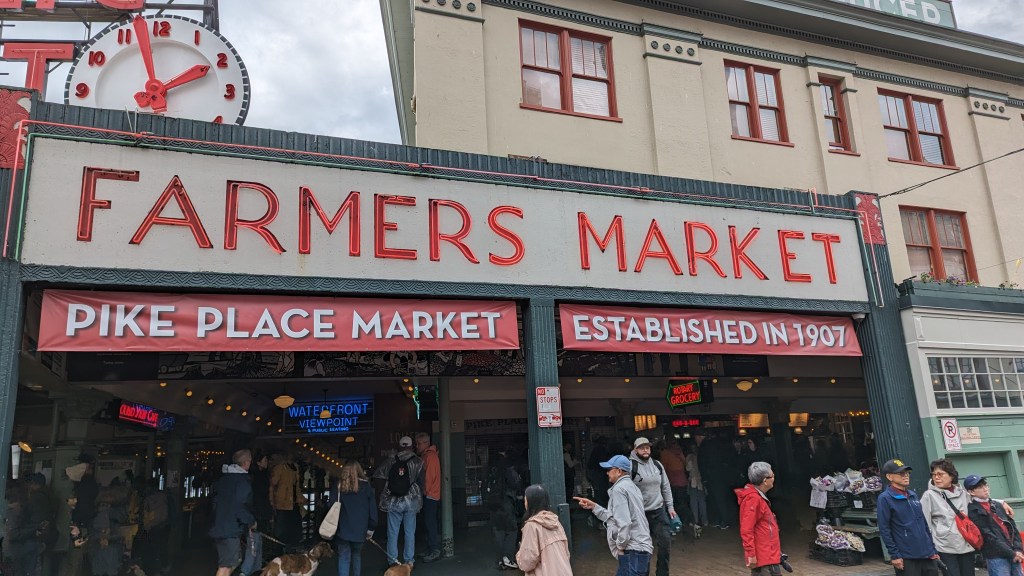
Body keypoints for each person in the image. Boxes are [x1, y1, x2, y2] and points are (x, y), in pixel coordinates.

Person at [574, 454, 653, 576]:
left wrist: (620, 546)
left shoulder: (619, 490)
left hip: (632, 551)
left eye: (609, 469)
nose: (607, 473)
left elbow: (624, 522)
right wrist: (594, 507)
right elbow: (617, 518)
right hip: (641, 549)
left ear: (619, 471)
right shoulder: (632, 487)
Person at [876, 458, 940, 576]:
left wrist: (932, 549)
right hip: (907, 557)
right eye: (901, 474)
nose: (906, 476)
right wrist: (894, 555)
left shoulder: (912, 495)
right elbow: (884, 529)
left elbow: (924, 524)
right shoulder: (885, 498)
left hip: (927, 554)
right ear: (890, 477)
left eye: (907, 473)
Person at [373, 436, 425, 568]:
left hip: (394, 501)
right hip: (411, 502)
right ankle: (409, 561)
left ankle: (393, 561)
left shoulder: (391, 460)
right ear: (411, 446)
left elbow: (379, 475)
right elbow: (422, 481)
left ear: (400, 446)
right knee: (409, 532)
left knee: (392, 532)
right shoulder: (418, 461)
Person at [918, 459, 976, 576]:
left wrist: (1001, 502)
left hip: (966, 544)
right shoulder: (929, 495)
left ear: (951, 476)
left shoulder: (962, 493)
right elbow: (924, 524)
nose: (936, 477)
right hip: (945, 547)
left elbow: (979, 504)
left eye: (940, 474)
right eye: (934, 475)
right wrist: (931, 550)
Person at [628, 437, 676, 576]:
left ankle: (663, 573)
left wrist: (670, 507)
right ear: (635, 449)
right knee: (644, 549)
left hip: (658, 511)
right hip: (640, 514)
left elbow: (665, 486)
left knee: (665, 544)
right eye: (642, 448)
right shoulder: (630, 466)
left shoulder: (657, 465)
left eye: (647, 447)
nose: (645, 450)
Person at [965, 474, 1024, 576]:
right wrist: (1012, 553)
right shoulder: (973, 510)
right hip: (996, 556)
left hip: (1014, 552)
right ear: (971, 492)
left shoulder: (998, 505)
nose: (985, 489)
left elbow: (1012, 527)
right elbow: (988, 536)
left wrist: (1018, 549)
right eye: (980, 487)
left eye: (985, 485)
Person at [210, 449, 256, 576]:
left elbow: (216, 502)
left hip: (219, 526)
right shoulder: (242, 482)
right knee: (226, 566)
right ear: (246, 462)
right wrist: (251, 520)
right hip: (230, 528)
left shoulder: (224, 479)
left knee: (231, 561)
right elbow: (239, 507)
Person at [328, 461, 378, 576]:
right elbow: (373, 511)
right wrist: (371, 528)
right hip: (360, 531)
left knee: (344, 557)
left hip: (342, 530)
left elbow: (331, 506)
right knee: (356, 556)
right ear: (359, 471)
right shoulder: (366, 487)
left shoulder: (339, 486)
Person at [515, 484, 572, 576]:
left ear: (531, 502)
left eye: (526, 500)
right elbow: (567, 553)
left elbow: (527, 562)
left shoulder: (531, 526)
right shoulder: (556, 522)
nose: (524, 503)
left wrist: (519, 555)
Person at [736, 462, 782, 575]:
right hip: (765, 559)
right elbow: (747, 529)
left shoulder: (758, 497)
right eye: (772, 476)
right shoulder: (753, 499)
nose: (774, 477)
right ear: (765, 481)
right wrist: (751, 554)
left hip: (769, 556)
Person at [486, 448, 522, 571]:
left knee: (498, 531)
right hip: (505, 502)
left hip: (492, 503)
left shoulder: (489, 467)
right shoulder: (507, 466)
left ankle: (500, 559)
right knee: (511, 530)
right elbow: (516, 482)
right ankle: (508, 558)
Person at [415, 432, 442, 563]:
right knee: (428, 523)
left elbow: (429, 477)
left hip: (430, 495)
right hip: (430, 494)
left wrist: (424, 492)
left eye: (419, 443)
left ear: (426, 443)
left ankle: (434, 550)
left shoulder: (430, 456)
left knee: (430, 523)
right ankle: (430, 548)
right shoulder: (428, 455)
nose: (417, 446)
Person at [269, 452, 303, 552]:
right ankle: (280, 550)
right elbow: (272, 484)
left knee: (293, 528)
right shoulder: (280, 468)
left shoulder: (295, 468)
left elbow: (296, 486)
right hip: (283, 504)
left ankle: (291, 549)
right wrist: (272, 502)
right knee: (282, 530)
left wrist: (300, 499)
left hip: (293, 503)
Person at [660, 437, 691, 530]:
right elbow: (685, 463)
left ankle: (676, 522)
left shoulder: (665, 453)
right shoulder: (680, 452)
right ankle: (687, 521)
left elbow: (663, 469)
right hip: (682, 480)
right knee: (683, 502)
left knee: (673, 503)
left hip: (672, 482)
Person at [685, 440, 708, 535]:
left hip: (693, 482)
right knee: (702, 502)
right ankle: (705, 520)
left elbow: (688, 468)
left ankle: (696, 520)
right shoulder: (703, 456)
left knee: (694, 503)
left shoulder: (689, 457)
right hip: (701, 482)